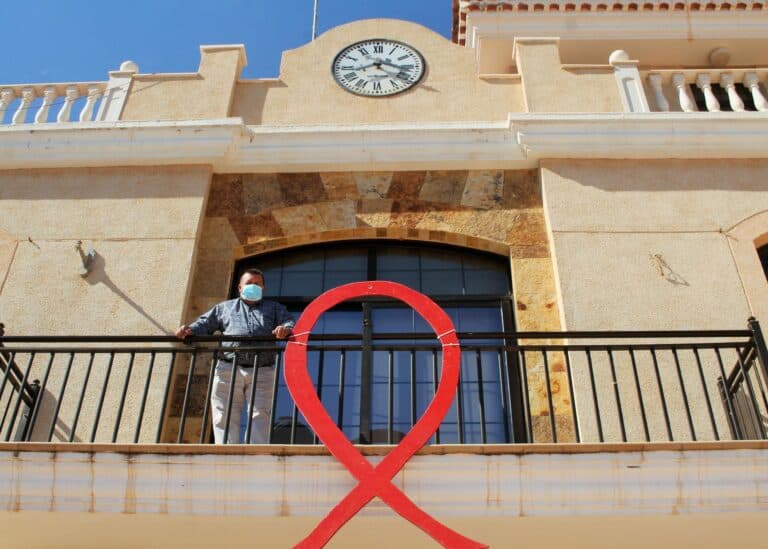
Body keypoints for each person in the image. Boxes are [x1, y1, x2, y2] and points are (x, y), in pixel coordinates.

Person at [175, 268, 294, 444]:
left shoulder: (274, 308)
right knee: (224, 413)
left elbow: (290, 323)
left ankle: (256, 455)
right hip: (228, 366)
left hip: (262, 369)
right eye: (249, 283)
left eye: (257, 284)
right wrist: (187, 330)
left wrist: (285, 329)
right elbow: (204, 324)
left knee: (261, 413)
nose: (253, 286)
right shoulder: (224, 308)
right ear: (239, 288)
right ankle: (226, 450)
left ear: (264, 288)